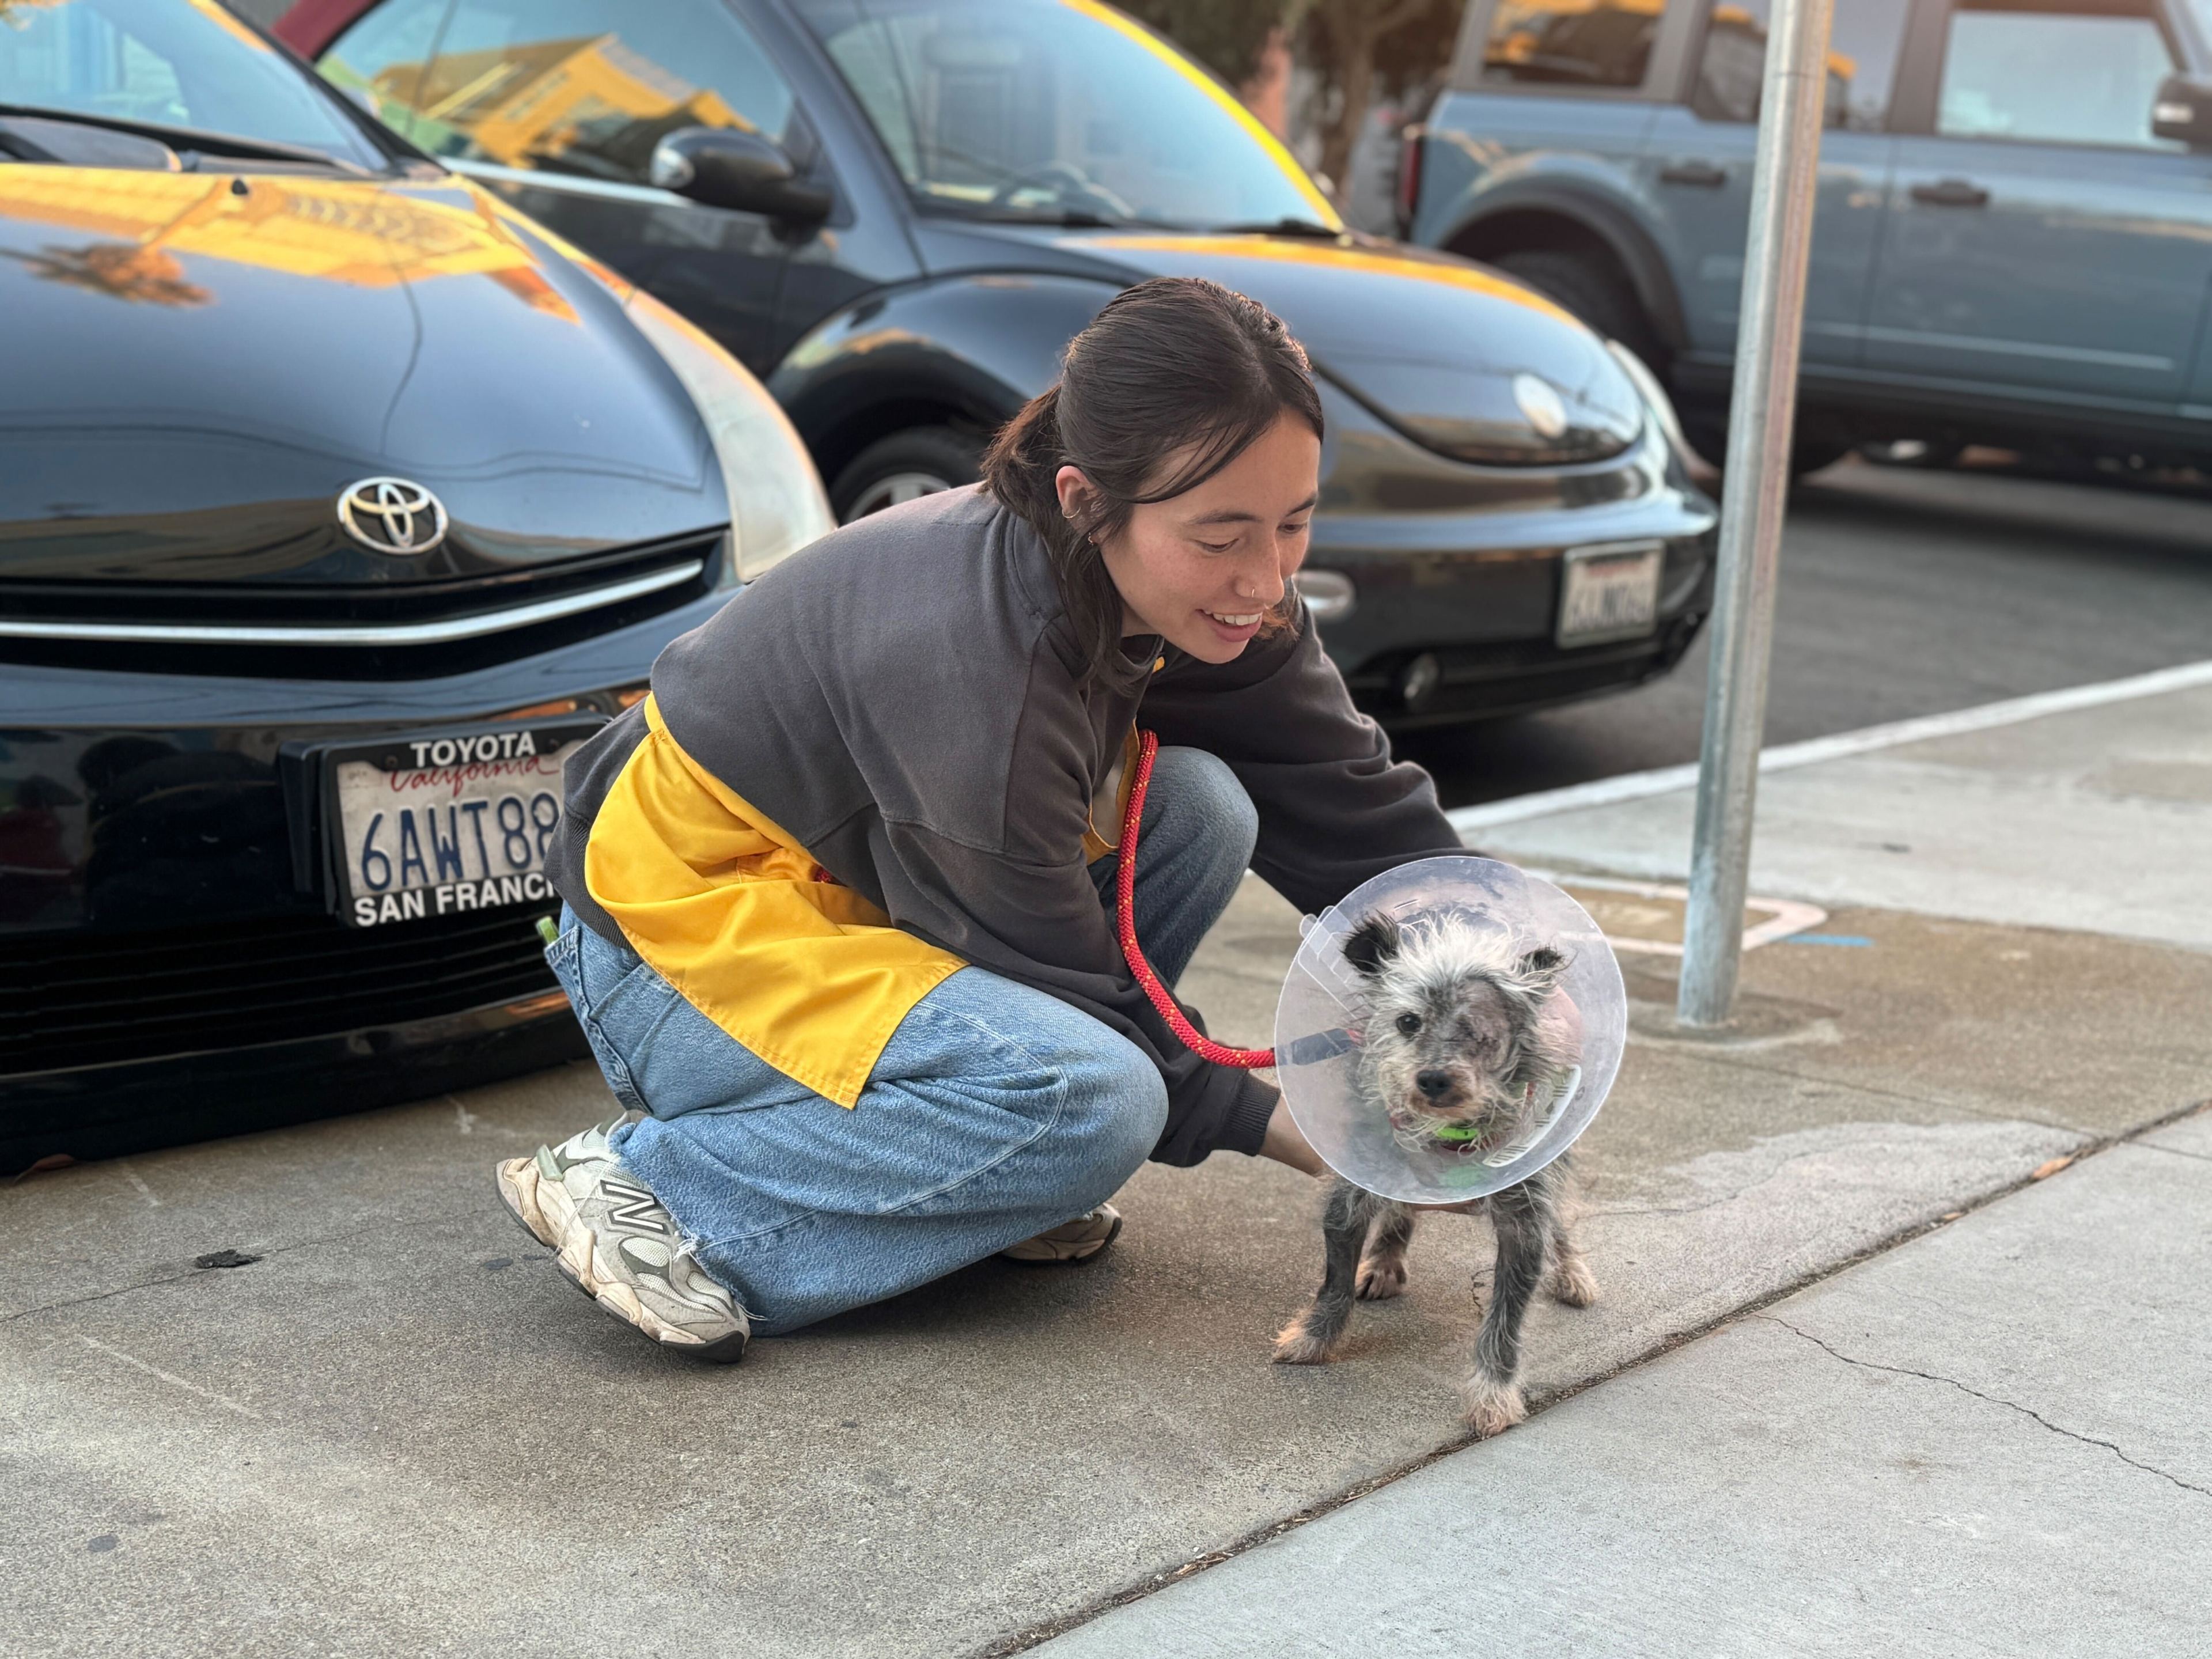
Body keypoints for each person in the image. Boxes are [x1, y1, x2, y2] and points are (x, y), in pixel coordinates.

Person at [496, 277, 1465, 1360]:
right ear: (1087, 497)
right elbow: (1071, 988)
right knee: (1097, 1102)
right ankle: (668, 1195)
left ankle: (979, 1175)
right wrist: (1329, 1137)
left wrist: (1499, 973)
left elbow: (1347, 799)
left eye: (1293, 524)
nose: (1262, 577)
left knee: (1202, 808)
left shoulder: (1174, 588)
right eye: (1221, 536)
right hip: (672, 955)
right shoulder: (978, 669)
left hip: (878, 895)